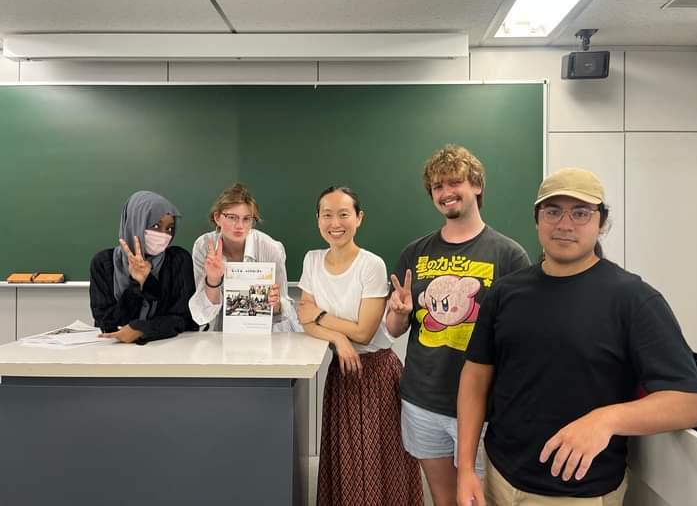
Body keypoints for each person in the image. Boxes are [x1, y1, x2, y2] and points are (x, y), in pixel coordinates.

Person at [456, 167, 697, 506]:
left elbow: (690, 403)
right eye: (552, 211)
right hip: (499, 478)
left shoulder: (633, 299)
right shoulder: (505, 292)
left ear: (601, 222)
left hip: (579, 494)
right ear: (537, 219)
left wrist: (606, 419)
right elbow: (475, 376)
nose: (565, 224)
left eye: (580, 213)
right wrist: (465, 468)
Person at [385, 144, 530, 506]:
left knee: (479, 500)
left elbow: (521, 338)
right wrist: (399, 313)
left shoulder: (509, 255)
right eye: (437, 186)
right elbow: (395, 329)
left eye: (454, 182)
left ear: (476, 185)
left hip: (484, 408)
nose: (446, 192)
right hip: (423, 401)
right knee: (443, 499)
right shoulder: (415, 252)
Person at [297, 186, 423, 506]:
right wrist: (339, 338)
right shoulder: (312, 260)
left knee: (379, 462)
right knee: (347, 462)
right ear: (317, 219)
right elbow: (303, 319)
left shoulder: (371, 264)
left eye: (344, 214)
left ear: (359, 218)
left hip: (376, 373)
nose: (335, 223)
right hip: (342, 370)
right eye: (327, 215)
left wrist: (321, 316)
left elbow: (364, 332)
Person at [90, 190, 197, 344]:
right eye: (155, 226)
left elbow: (182, 318)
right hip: (117, 351)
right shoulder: (104, 263)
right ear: (135, 223)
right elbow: (108, 324)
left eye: (169, 228)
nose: (164, 234)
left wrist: (142, 330)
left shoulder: (178, 260)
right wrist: (137, 284)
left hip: (170, 347)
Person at [188, 183, 297, 332]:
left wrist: (276, 304)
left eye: (246, 219)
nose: (240, 225)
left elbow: (285, 309)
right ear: (217, 217)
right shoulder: (204, 246)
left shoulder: (271, 248)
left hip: (269, 331)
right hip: (222, 331)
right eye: (232, 217)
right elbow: (202, 315)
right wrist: (213, 280)